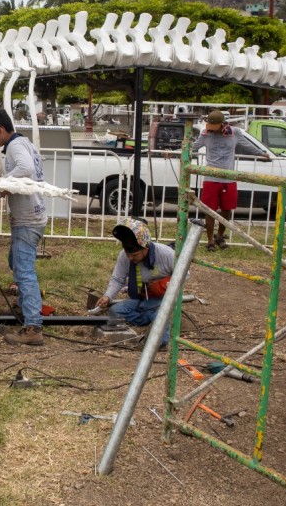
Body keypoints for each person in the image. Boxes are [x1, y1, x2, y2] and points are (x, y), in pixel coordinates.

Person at [0, 108, 47, 346]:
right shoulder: (24, 143)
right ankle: (26, 307)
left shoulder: (17, 147)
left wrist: (3, 183)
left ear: (0, 130)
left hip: (27, 220)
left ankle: (33, 326)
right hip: (34, 215)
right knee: (16, 263)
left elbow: (27, 169)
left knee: (24, 272)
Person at [192, 110, 270, 251]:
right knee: (209, 211)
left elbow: (247, 145)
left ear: (223, 124)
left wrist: (262, 154)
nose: (212, 130)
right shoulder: (205, 134)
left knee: (227, 209)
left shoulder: (235, 133)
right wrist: (177, 152)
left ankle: (220, 236)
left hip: (228, 179)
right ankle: (209, 239)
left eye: (215, 127)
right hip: (211, 178)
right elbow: (193, 147)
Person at [92, 218, 175, 347]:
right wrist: (108, 296)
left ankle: (157, 332)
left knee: (161, 325)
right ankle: (150, 319)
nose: (130, 257)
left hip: (161, 302)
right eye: (128, 253)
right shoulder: (124, 256)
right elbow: (118, 279)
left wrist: (164, 284)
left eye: (135, 255)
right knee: (116, 311)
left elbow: (184, 275)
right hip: (140, 300)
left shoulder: (166, 254)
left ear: (145, 247)